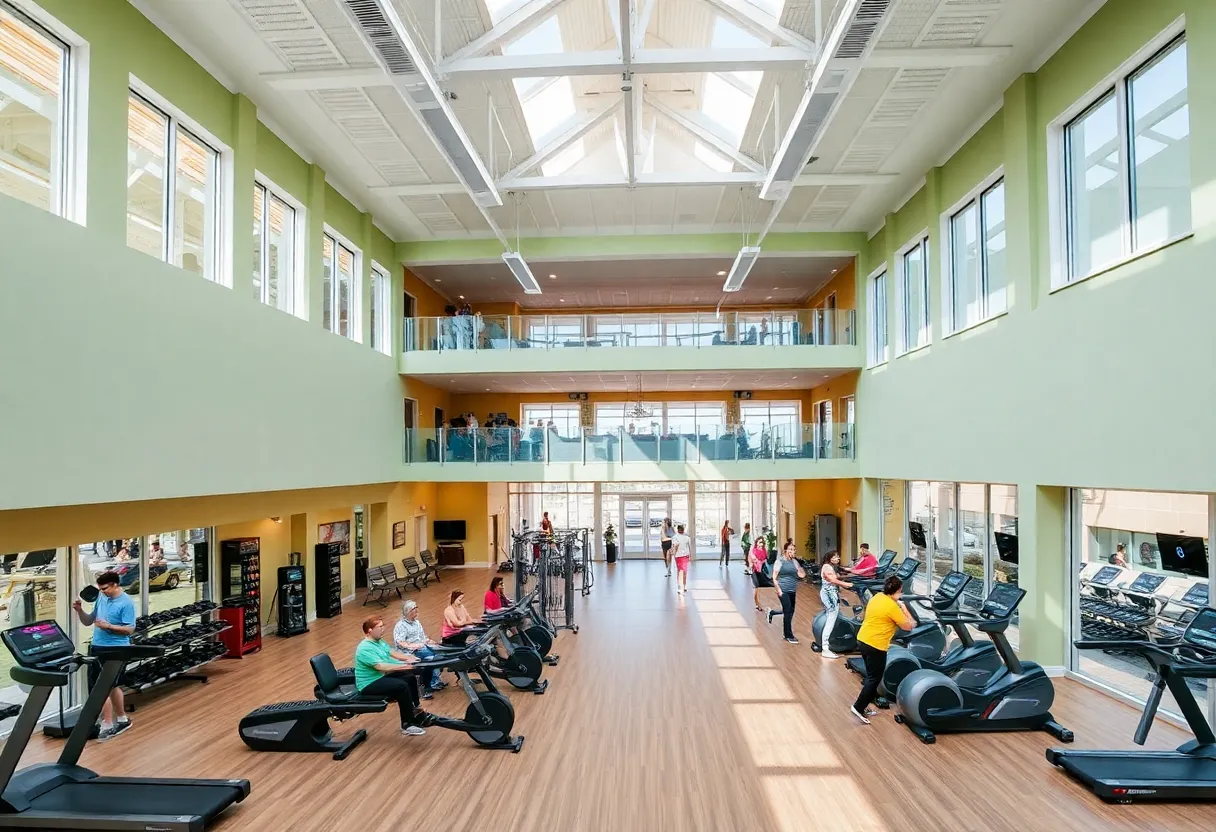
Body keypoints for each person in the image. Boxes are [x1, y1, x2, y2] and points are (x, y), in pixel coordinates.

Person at [72, 571, 136, 740]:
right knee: (113, 686)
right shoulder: (101, 598)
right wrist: (79, 611)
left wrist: (109, 626)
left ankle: (106, 724)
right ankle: (122, 719)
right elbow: (88, 621)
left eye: (105, 588)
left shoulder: (126, 603)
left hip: (117, 649)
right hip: (97, 648)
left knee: (103, 688)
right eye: (100, 588)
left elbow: (130, 630)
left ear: (115, 584)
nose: (102, 591)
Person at [851, 575, 916, 724]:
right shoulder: (892, 606)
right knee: (874, 678)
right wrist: (905, 608)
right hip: (875, 645)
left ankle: (866, 703)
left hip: (863, 639)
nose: (901, 593)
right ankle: (858, 707)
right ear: (897, 590)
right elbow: (908, 626)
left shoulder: (878, 597)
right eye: (900, 591)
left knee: (870, 676)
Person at [356, 615, 426, 735]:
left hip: (379, 677)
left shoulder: (379, 642)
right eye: (380, 627)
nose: (383, 629)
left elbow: (391, 652)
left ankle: (415, 708)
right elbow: (380, 666)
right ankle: (407, 725)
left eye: (383, 626)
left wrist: (409, 658)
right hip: (368, 684)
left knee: (409, 677)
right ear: (370, 631)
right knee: (401, 686)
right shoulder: (364, 648)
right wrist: (403, 666)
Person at [393, 600, 445, 698]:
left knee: (441, 653)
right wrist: (414, 646)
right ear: (408, 612)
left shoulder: (417, 623)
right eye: (414, 609)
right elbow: (400, 642)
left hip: (422, 647)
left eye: (416, 608)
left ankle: (435, 681)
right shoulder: (401, 626)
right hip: (410, 651)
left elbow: (422, 638)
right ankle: (431, 683)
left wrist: (431, 641)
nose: (416, 610)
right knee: (432, 659)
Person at [766, 542, 806, 643]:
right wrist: (778, 590)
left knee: (790, 611)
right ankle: (788, 635)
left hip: (792, 590)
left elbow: (802, 575)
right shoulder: (780, 562)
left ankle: (772, 612)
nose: (793, 551)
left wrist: (801, 568)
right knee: (788, 611)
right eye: (790, 549)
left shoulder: (795, 562)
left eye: (794, 550)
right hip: (783, 590)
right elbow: (774, 578)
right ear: (785, 551)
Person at [818, 550, 853, 659]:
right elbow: (833, 579)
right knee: (830, 621)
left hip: (831, 595)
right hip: (830, 596)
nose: (838, 558)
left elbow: (836, 577)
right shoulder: (827, 567)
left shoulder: (830, 567)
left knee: (831, 618)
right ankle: (825, 648)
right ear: (830, 558)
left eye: (838, 556)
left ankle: (827, 644)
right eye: (835, 557)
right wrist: (846, 584)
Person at [750, 537, 771, 611]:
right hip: (755, 571)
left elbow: (765, 560)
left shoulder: (764, 550)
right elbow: (753, 559)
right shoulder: (753, 551)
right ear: (756, 543)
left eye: (762, 542)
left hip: (761, 572)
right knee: (756, 587)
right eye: (759, 542)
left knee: (759, 588)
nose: (761, 544)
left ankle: (758, 603)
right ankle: (756, 604)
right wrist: (756, 562)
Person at [671, 523, 692, 594]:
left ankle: (680, 588)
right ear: (683, 530)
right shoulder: (687, 537)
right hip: (686, 556)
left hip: (678, 556)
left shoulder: (675, 537)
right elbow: (689, 547)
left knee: (680, 572)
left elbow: (675, 546)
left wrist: (673, 553)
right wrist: (690, 556)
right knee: (684, 572)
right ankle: (684, 586)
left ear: (677, 530)